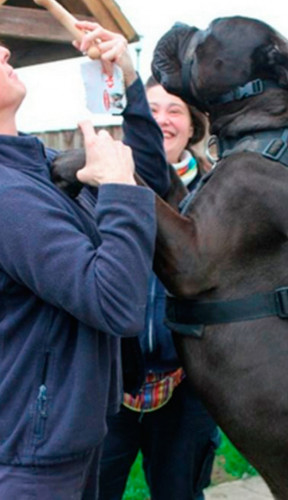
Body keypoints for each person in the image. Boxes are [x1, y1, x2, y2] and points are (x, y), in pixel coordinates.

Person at [0, 22, 170, 500]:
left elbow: (149, 186)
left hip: (67, 438)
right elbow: (114, 303)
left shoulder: (37, 166)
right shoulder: (8, 195)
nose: (5, 47)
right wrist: (115, 187)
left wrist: (129, 81)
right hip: (28, 457)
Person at [97, 78, 219, 500]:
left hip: (186, 386)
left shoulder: (217, 195)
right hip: (110, 383)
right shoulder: (103, 187)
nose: (162, 121)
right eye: (151, 109)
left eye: (175, 111)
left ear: (192, 128)